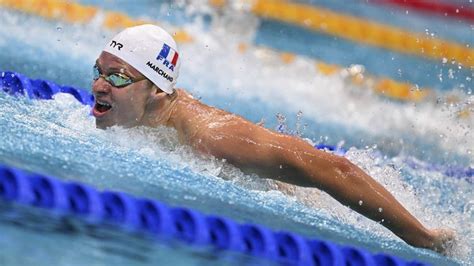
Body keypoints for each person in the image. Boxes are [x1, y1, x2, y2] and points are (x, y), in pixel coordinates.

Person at [92, 24, 454, 253]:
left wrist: (423, 237)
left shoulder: (212, 137)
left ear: (156, 90)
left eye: (118, 77)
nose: (99, 85)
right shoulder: (148, 111)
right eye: (99, 71)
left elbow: (334, 169)